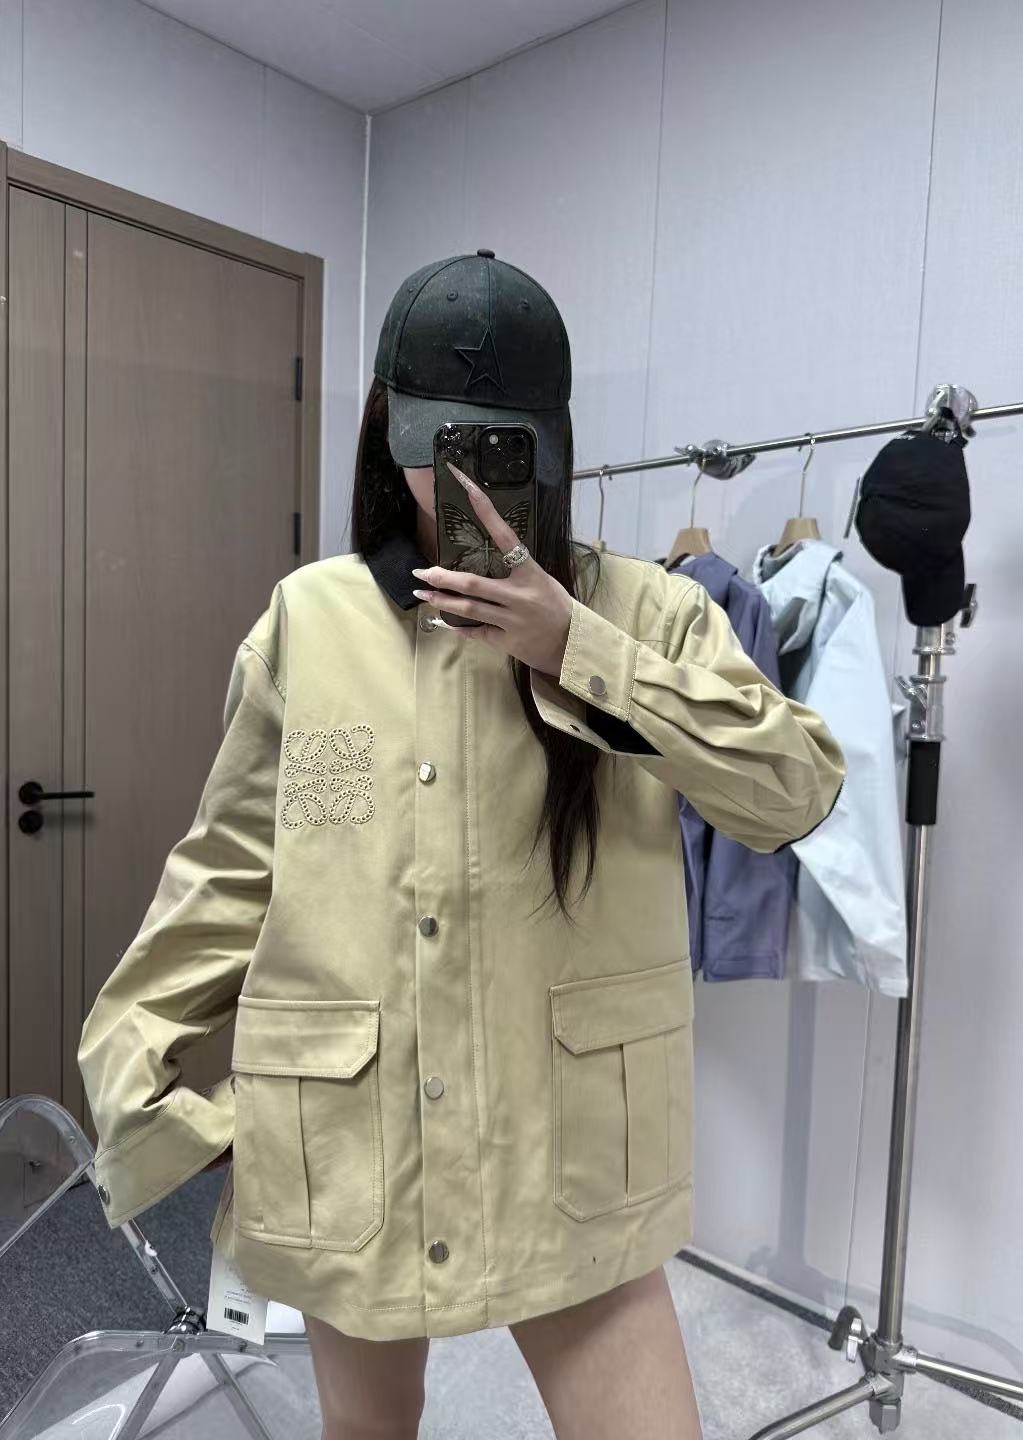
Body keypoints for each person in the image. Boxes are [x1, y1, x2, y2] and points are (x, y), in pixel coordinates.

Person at [78, 251, 845, 1440]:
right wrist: (159, 1101)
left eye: (503, 451)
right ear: (388, 430)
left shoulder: (651, 613)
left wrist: (575, 647)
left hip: (574, 1154)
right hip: (356, 1143)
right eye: (442, 446)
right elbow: (228, 875)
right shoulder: (311, 622)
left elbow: (793, 789)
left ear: (554, 447)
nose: (469, 483)